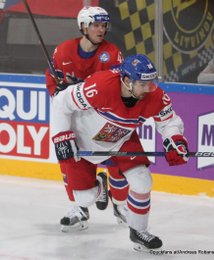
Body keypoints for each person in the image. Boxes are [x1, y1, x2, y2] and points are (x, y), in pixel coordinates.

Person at [50, 54, 189, 252]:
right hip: (83, 142)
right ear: (126, 81)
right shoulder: (100, 86)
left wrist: (175, 141)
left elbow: (169, 122)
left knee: (142, 181)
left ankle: (138, 231)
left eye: (151, 83)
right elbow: (61, 102)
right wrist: (62, 135)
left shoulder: (153, 95)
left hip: (120, 139)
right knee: (84, 199)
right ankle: (99, 187)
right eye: (143, 84)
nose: (149, 88)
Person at [45, 6, 126, 232]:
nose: (101, 30)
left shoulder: (111, 53)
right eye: (95, 25)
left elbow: (116, 88)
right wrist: (60, 93)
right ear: (83, 26)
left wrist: (78, 89)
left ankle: (119, 203)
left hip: (99, 116)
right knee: (68, 159)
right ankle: (81, 208)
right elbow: (52, 80)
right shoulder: (63, 51)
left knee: (116, 161)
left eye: (103, 26)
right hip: (72, 117)